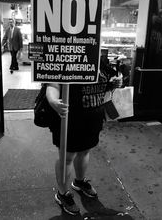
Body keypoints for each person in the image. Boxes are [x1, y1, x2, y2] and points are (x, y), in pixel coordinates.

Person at [46, 58, 123, 216]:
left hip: (93, 117)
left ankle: (79, 182)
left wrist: (114, 83)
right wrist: (53, 101)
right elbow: (52, 84)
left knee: (85, 151)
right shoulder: (64, 57)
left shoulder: (97, 57)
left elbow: (104, 82)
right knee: (66, 157)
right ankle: (62, 194)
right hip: (69, 118)